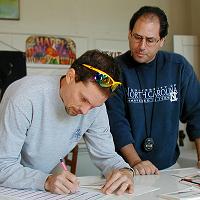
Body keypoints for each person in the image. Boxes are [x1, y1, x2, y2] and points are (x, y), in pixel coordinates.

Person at [0, 49, 134, 195]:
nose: (85, 111)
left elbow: (107, 156)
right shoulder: (25, 97)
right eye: (83, 99)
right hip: (9, 188)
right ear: (71, 76)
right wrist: (45, 181)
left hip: (43, 185)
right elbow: (3, 166)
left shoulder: (95, 108)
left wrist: (125, 172)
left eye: (94, 106)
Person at [106, 6, 200, 175]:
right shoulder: (115, 70)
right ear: (129, 33)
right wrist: (136, 162)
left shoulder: (178, 67)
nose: (141, 46)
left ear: (162, 40)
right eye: (137, 37)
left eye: (150, 40)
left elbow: (197, 113)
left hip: (170, 167)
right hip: (125, 169)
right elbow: (116, 122)